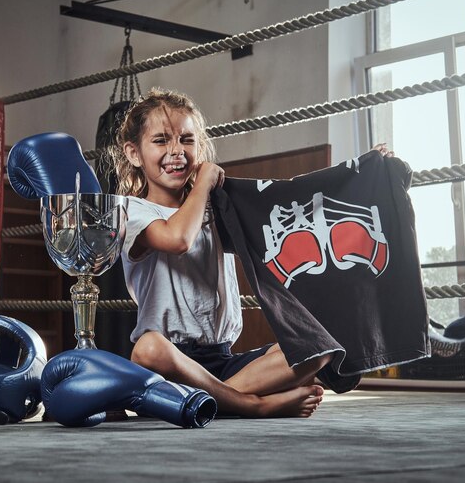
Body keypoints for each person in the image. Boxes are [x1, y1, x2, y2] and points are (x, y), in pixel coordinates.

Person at [109, 88, 332, 418]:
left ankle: (207, 400)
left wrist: (366, 172)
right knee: (148, 347)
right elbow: (177, 239)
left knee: (319, 347)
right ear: (133, 153)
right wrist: (204, 183)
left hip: (224, 361)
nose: (176, 151)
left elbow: (286, 205)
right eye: (160, 140)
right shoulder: (131, 210)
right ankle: (252, 404)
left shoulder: (216, 207)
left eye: (186, 139)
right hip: (170, 361)